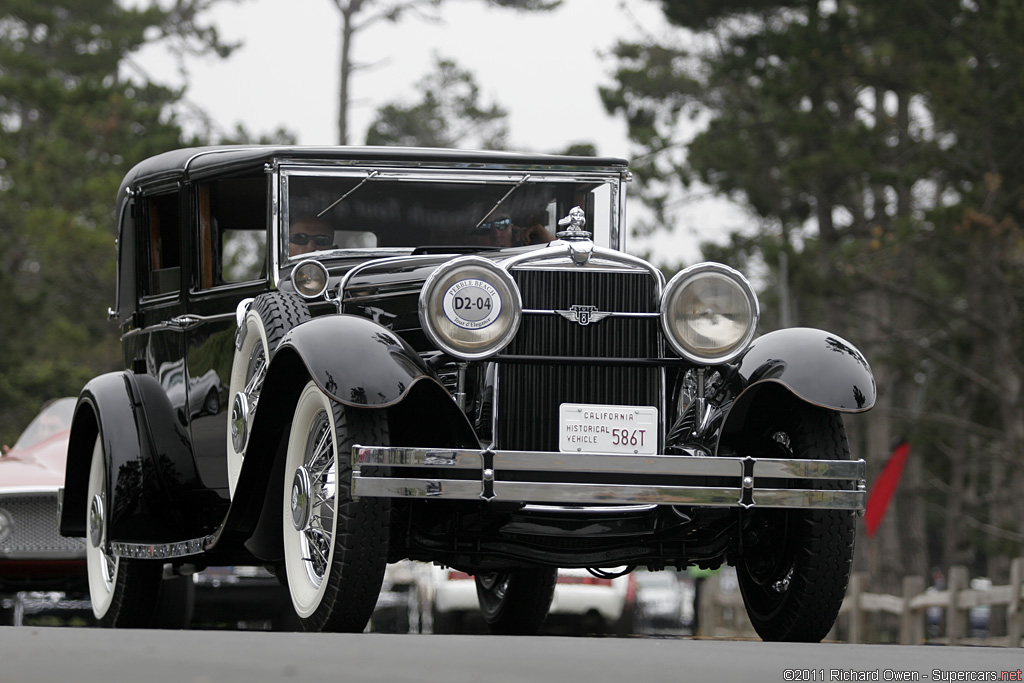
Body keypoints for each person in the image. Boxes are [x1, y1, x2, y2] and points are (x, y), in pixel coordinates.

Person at [468, 212, 554, 248]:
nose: (496, 235)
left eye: (502, 223)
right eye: (485, 227)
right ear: (471, 238)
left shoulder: (525, 257)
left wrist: (543, 236)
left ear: (512, 229)